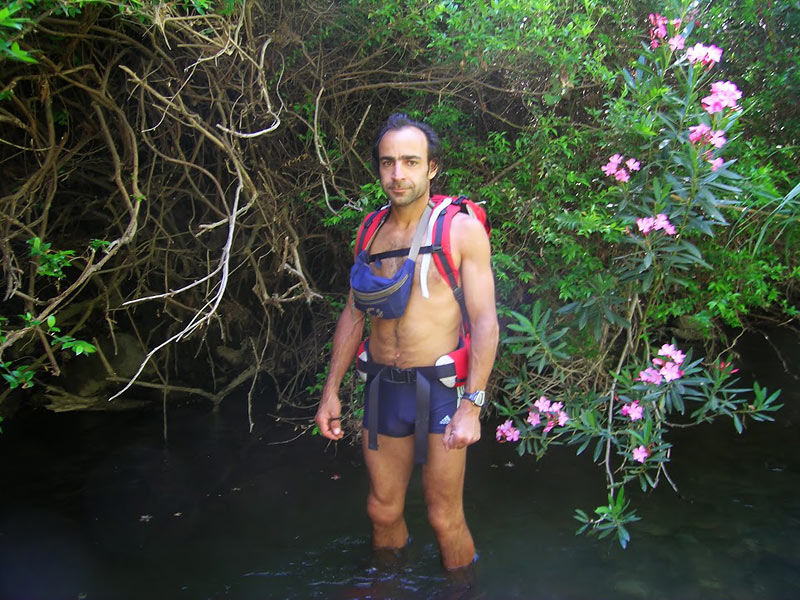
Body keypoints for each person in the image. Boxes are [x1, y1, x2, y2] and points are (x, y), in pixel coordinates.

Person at [315, 113, 499, 571]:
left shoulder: (459, 230)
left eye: (411, 162)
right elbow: (354, 312)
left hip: (441, 391)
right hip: (383, 387)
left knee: (443, 516)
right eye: (388, 163)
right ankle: (388, 585)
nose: (398, 174)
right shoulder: (370, 231)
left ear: (431, 168)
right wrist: (331, 390)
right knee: (382, 509)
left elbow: (485, 322)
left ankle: (463, 591)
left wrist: (472, 406)